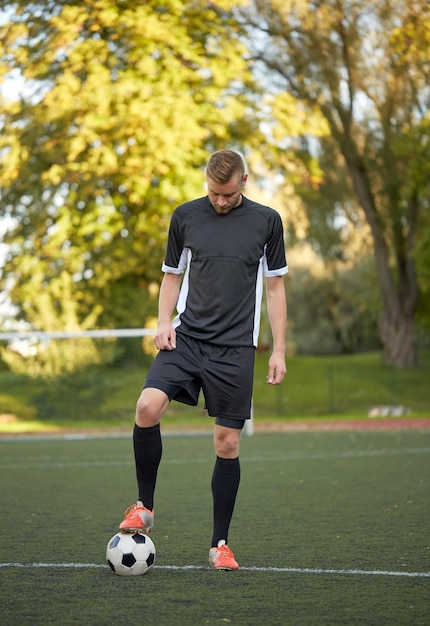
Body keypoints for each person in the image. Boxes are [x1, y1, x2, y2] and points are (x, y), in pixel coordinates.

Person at [118, 149, 288, 570]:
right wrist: (163, 321)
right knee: (146, 407)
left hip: (235, 350)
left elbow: (275, 290)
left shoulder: (267, 222)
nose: (220, 201)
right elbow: (171, 275)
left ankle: (219, 545)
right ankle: (144, 506)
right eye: (214, 192)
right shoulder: (186, 216)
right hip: (187, 337)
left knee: (227, 442)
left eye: (228, 194)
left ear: (244, 182)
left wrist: (279, 348)